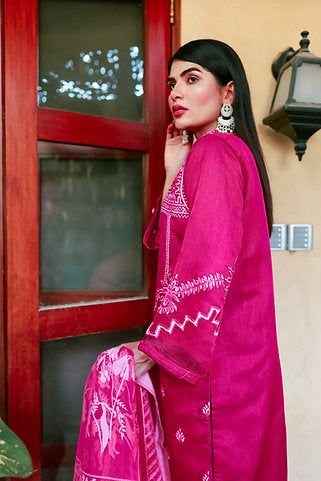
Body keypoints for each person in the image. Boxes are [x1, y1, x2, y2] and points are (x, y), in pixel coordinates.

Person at [125, 39, 287, 481]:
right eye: (171, 82)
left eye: (192, 79)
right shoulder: (211, 156)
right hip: (233, 361)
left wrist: (155, 349)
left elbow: (207, 264)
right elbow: (164, 244)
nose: (175, 92)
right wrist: (172, 171)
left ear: (228, 93)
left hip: (214, 368)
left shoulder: (217, 153)